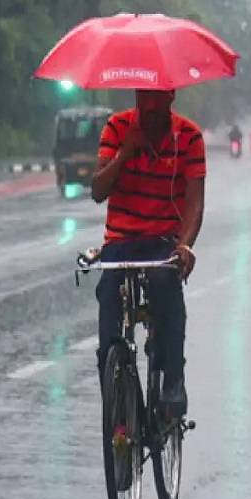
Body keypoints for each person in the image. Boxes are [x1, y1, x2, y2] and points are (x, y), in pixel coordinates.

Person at [91, 89, 206, 417]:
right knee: (109, 293)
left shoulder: (189, 137)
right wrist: (124, 154)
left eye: (157, 103)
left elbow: (195, 203)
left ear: (171, 98)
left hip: (162, 239)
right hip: (121, 239)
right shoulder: (117, 127)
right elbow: (98, 190)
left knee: (164, 283)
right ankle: (112, 388)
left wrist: (184, 245)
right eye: (144, 102)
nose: (150, 109)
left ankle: (173, 378)